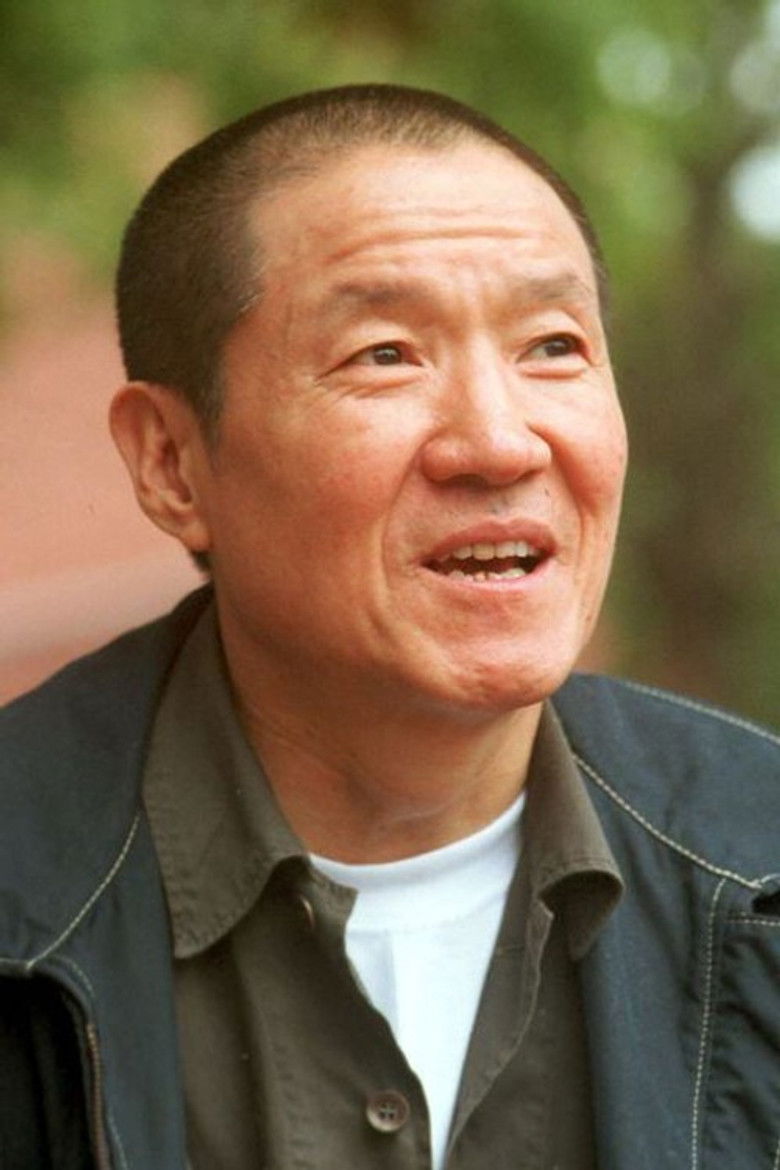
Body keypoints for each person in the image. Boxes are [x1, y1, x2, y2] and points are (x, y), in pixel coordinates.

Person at [1, 84, 778, 1170]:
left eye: (552, 345)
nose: (500, 443)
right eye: (385, 355)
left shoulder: (759, 866)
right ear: (172, 462)